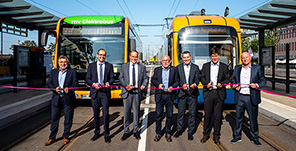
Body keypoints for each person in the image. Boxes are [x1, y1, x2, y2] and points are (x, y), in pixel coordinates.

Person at [230, 52, 266, 146]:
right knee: (238, 118)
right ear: (241, 59)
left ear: (250, 58)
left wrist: (257, 85)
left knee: (253, 119)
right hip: (240, 96)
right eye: (243, 58)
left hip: (251, 97)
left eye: (246, 57)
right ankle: (237, 136)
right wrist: (234, 85)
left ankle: (255, 137)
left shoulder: (257, 68)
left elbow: (263, 81)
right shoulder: (237, 68)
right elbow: (232, 80)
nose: (245, 59)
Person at [45, 55, 78, 146]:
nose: (63, 64)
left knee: (68, 118)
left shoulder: (72, 72)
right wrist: (55, 89)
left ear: (68, 63)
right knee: (54, 118)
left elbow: (75, 84)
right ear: (58, 63)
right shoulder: (53, 72)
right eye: (61, 62)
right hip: (56, 98)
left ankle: (66, 136)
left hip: (68, 98)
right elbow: (49, 83)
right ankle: (52, 137)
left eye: (65, 62)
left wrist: (70, 89)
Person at [200, 46, 230, 144]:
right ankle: (206, 134)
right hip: (208, 93)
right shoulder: (205, 66)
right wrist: (206, 84)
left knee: (217, 116)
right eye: (212, 56)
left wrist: (222, 84)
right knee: (207, 115)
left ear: (219, 56)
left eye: (216, 56)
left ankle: (216, 135)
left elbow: (227, 79)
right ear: (210, 56)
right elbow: (202, 77)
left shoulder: (224, 67)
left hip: (219, 93)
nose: (214, 58)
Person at [86, 49, 114, 143]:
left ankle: (106, 134)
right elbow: (87, 79)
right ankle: (96, 132)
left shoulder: (109, 66)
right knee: (96, 114)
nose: (102, 56)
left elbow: (112, 78)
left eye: (104, 55)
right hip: (95, 93)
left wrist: (108, 82)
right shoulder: (91, 66)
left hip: (104, 93)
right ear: (97, 55)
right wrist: (93, 84)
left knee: (105, 114)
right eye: (100, 55)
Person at [119, 50, 148, 140]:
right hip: (127, 92)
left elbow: (145, 78)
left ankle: (136, 130)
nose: (134, 58)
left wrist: (144, 84)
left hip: (136, 92)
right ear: (129, 56)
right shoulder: (124, 66)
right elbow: (121, 77)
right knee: (126, 113)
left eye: (136, 57)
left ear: (137, 57)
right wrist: (125, 85)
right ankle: (126, 131)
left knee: (136, 113)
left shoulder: (142, 67)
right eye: (132, 56)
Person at [151, 55, 179, 142]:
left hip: (170, 95)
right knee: (159, 115)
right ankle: (158, 132)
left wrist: (172, 87)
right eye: (164, 61)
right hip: (160, 95)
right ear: (161, 62)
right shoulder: (157, 70)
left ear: (170, 61)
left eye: (167, 60)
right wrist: (158, 85)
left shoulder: (174, 70)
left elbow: (177, 81)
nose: (165, 62)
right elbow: (153, 80)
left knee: (169, 115)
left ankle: (168, 132)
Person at [174, 51, 200, 141]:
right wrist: (182, 85)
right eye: (184, 57)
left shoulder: (196, 67)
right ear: (182, 58)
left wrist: (195, 84)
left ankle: (190, 131)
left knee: (192, 113)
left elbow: (197, 79)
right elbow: (177, 80)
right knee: (181, 113)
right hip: (182, 93)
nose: (186, 59)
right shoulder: (178, 68)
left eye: (187, 57)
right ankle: (179, 129)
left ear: (191, 57)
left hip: (192, 93)